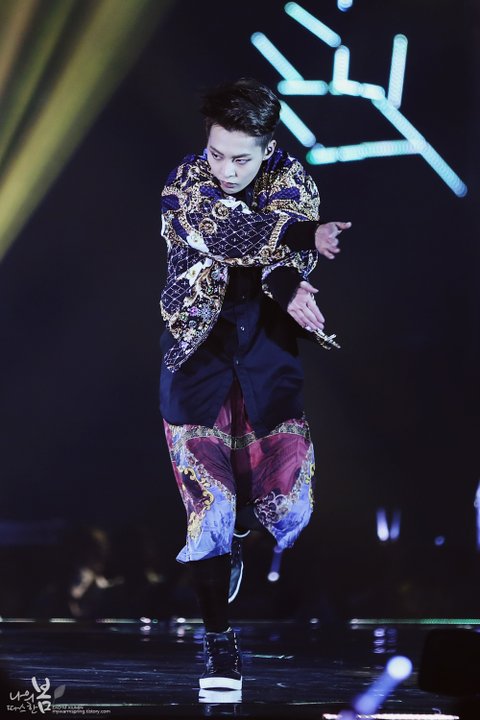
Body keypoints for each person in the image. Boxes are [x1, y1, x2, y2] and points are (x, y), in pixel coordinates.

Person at [159, 78, 351, 691]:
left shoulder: (294, 181)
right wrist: (300, 239)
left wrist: (291, 281)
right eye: (217, 154)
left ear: (267, 149)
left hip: (267, 360)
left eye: (241, 159)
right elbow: (226, 235)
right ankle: (220, 644)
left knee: (290, 505)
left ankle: (242, 532)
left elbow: (281, 257)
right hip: (198, 361)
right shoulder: (185, 183)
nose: (226, 169)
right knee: (208, 508)